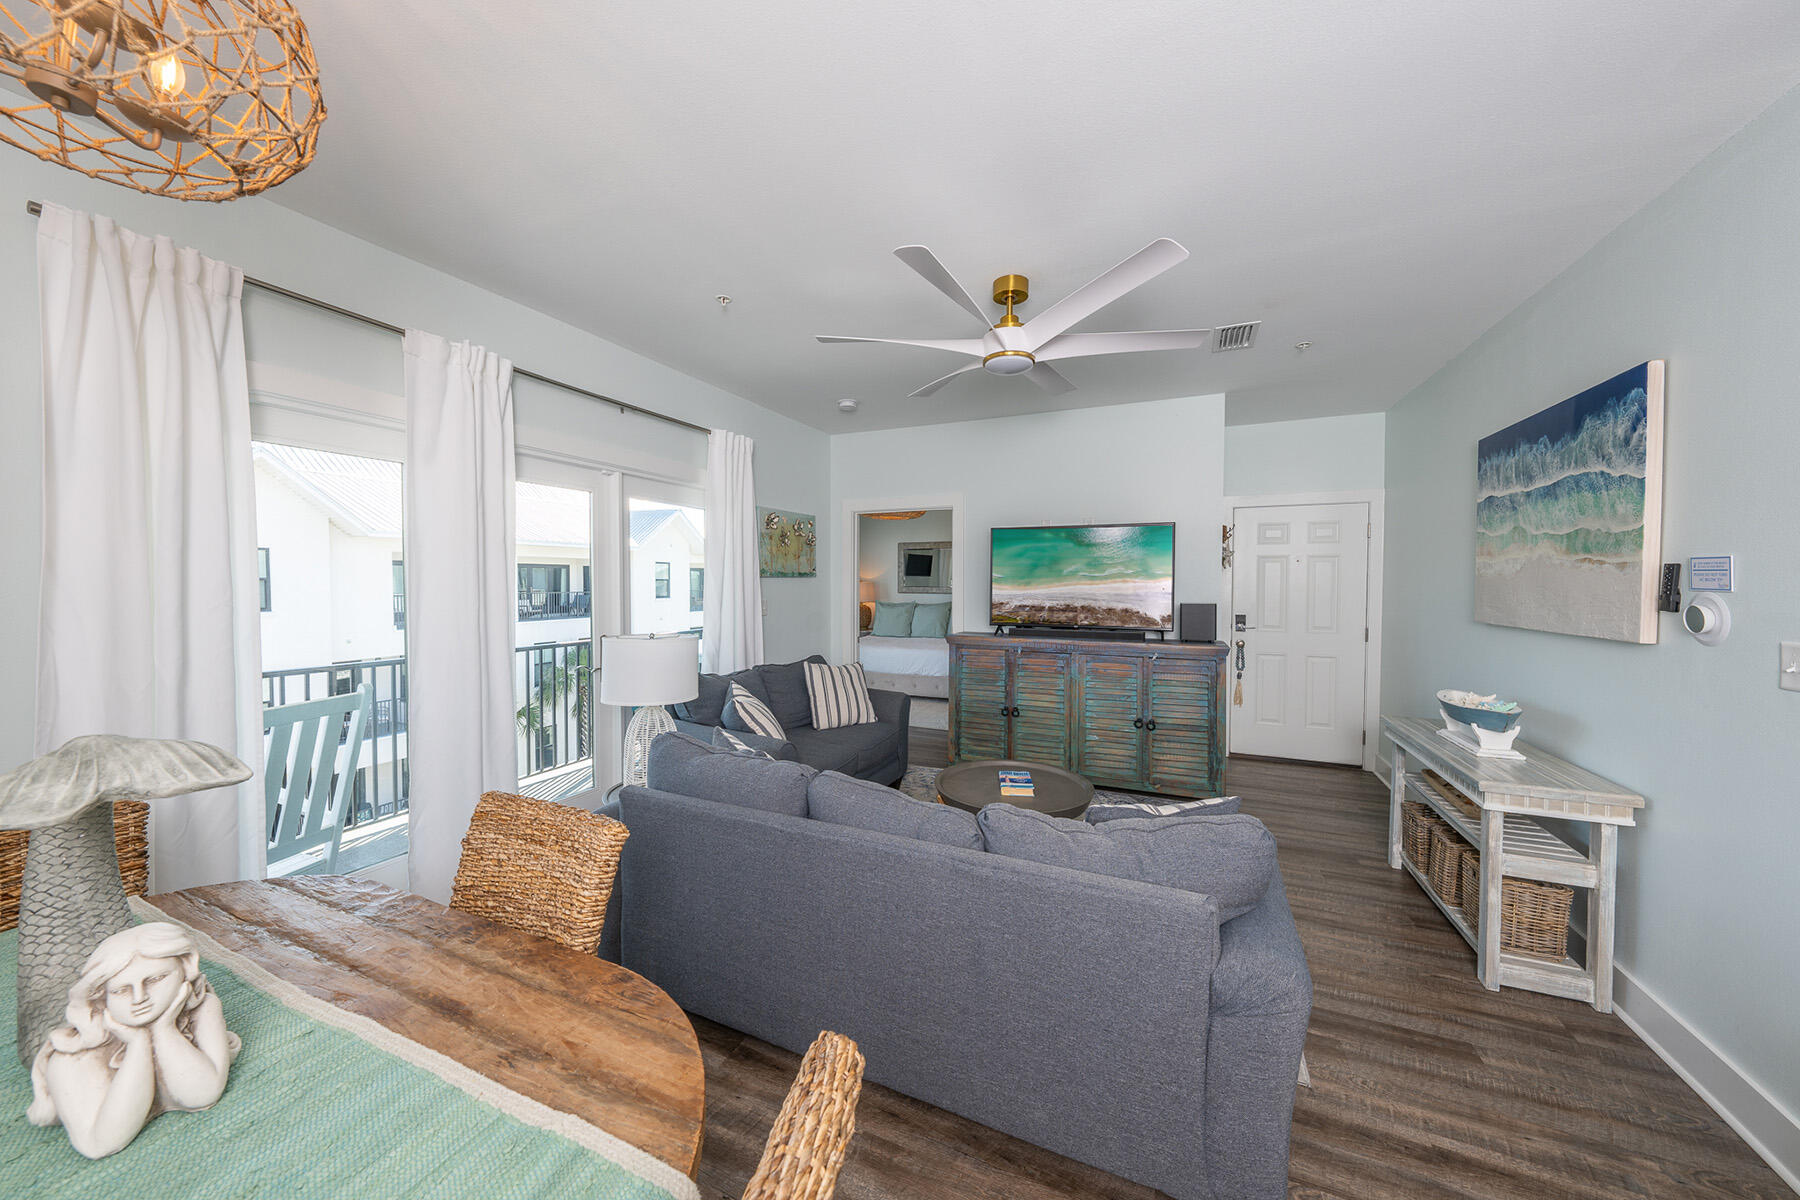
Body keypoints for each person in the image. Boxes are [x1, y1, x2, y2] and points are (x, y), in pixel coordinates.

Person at [26, 922, 240, 1159]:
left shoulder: (202, 1009)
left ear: (185, 967)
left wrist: (164, 1028)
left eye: (156, 978)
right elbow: (99, 1145)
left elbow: (202, 1095)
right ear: (100, 996)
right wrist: (138, 1043)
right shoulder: (73, 1060)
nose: (140, 998)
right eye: (120, 990)